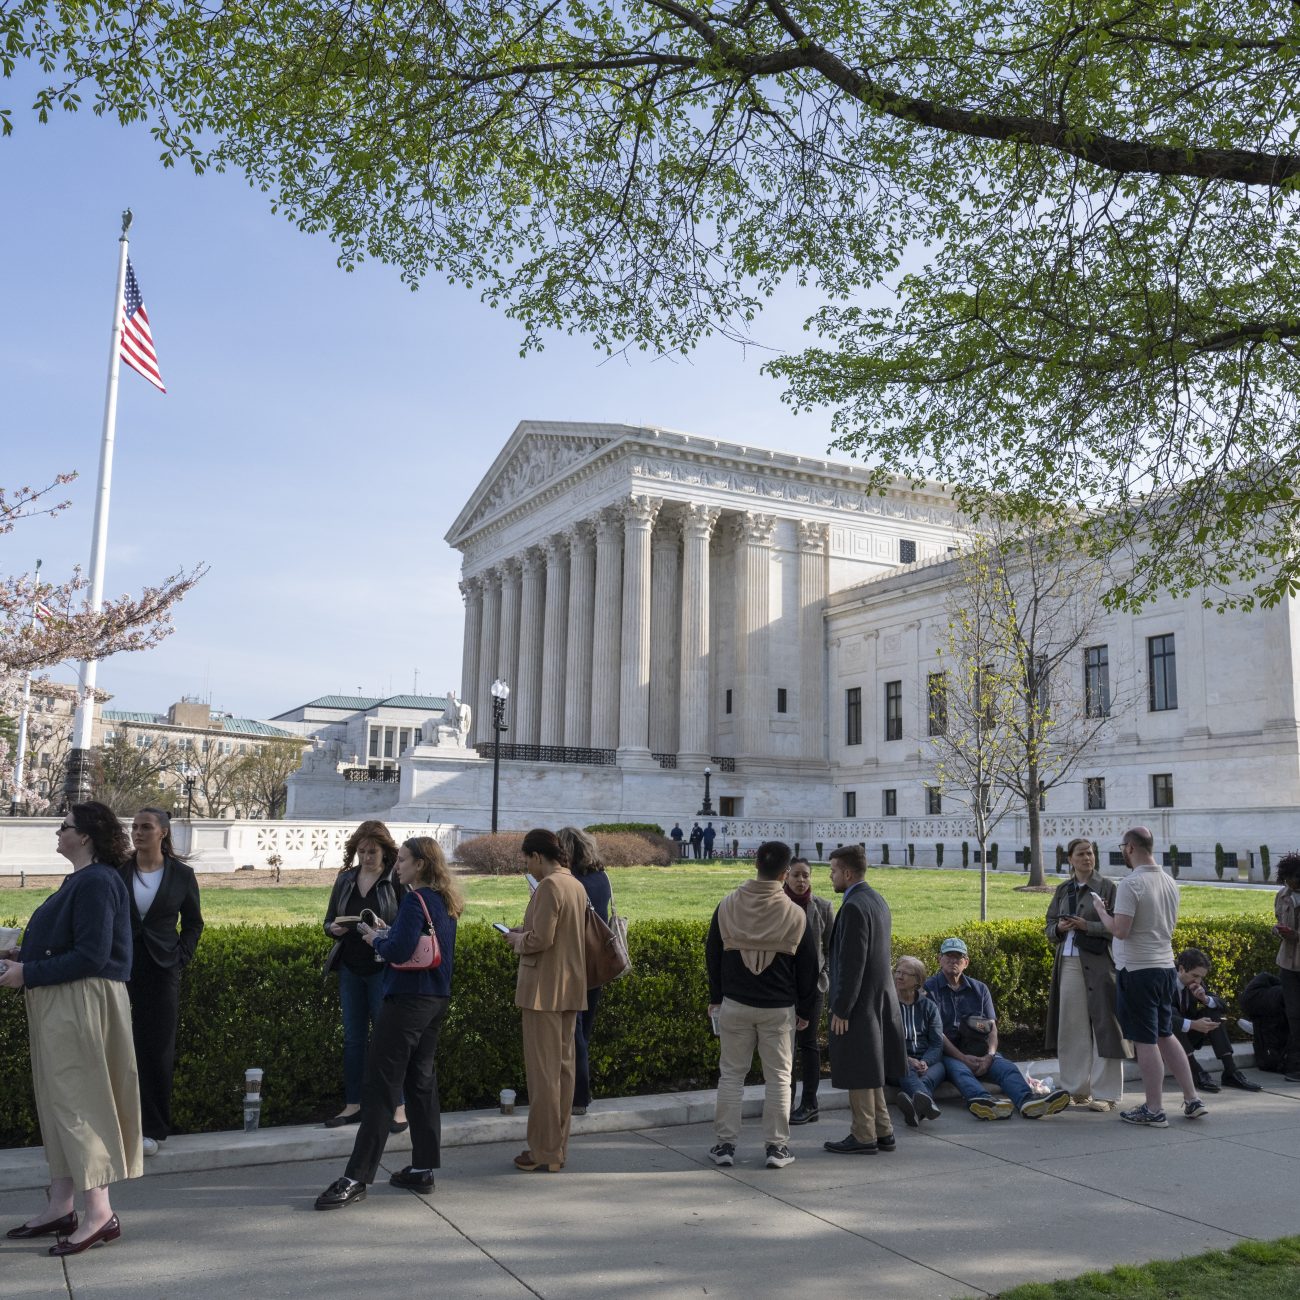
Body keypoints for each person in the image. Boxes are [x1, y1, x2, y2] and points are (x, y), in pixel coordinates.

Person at [0, 802, 142, 1256]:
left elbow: (93, 955)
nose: (57, 833)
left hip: (80, 1001)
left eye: (64, 827)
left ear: (85, 836)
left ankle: (100, 1213)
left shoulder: (98, 881)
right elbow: (72, 946)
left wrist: (29, 974)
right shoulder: (83, 881)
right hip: (63, 1000)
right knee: (59, 1103)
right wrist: (23, 958)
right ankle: (62, 1205)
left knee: (80, 1104)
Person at [314, 837, 461, 1208]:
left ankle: (356, 1177)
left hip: (406, 1002)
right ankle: (423, 1168)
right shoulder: (445, 901)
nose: (398, 866)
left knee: (380, 1086)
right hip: (435, 999)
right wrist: (386, 932)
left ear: (422, 865)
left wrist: (375, 939)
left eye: (405, 860)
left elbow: (397, 952)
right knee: (421, 1082)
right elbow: (421, 946)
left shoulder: (415, 900)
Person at [706, 840, 818, 1169]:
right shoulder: (794, 913)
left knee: (731, 1076)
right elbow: (808, 967)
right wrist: (806, 1010)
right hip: (779, 1007)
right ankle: (777, 1148)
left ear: (755, 863)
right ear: (785, 873)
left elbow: (712, 954)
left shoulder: (727, 905)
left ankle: (725, 1145)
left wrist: (716, 997)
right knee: (779, 1079)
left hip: (735, 1003)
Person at [1091, 826, 1206, 1127]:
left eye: (1123, 848)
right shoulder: (1169, 881)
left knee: (1146, 1041)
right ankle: (1192, 1098)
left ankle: (1154, 1109)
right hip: (1165, 967)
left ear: (1129, 848)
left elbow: (1120, 930)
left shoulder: (1131, 884)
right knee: (1165, 1034)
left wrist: (1101, 912)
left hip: (1137, 970)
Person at [120, 806, 204, 1157]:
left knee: (156, 1050)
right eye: (134, 827)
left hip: (162, 969)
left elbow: (194, 923)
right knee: (120, 1047)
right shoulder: (117, 871)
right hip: (121, 968)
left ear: (163, 833)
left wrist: (180, 956)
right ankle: (121, 1127)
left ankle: (153, 1129)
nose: (137, 832)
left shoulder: (181, 875)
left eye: (146, 827)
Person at [503, 828, 589, 1172]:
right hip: (569, 988)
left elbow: (541, 938)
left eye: (527, 858)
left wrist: (515, 939)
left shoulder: (551, 885)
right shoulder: (575, 883)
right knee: (563, 1074)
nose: (527, 864)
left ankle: (543, 1151)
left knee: (543, 1078)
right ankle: (557, 1149)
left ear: (538, 856)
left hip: (543, 991)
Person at [925, 937, 1071, 1121]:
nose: (953, 960)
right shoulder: (929, 989)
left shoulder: (980, 989)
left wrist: (990, 1056)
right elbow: (937, 1033)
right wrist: (962, 1058)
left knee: (1007, 1068)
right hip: (949, 1053)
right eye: (948, 956)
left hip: (980, 1050)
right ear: (939, 959)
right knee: (960, 1071)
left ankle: (1028, 1102)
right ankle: (985, 1102)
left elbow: (992, 1027)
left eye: (958, 957)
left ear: (966, 962)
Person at [822, 845, 907, 1154]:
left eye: (832, 870)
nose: (830, 876)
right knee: (870, 1067)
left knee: (859, 1068)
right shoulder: (876, 899)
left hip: (860, 1004)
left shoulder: (856, 906)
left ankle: (863, 1135)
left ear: (847, 873)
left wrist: (841, 1008)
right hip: (878, 998)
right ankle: (883, 1130)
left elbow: (852, 963)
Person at [322, 820, 405, 1129]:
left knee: (388, 1040)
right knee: (353, 1040)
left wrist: (388, 930)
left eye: (372, 851)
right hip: (351, 967)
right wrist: (333, 928)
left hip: (383, 967)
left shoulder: (396, 879)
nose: (366, 857)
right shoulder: (346, 880)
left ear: (386, 852)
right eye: (361, 851)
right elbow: (328, 920)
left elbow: (411, 925)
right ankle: (353, 1104)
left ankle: (397, 1106)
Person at [1044, 838, 1129, 1112]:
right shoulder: (1063, 889)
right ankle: (1075, 1089)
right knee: (1071, 1027)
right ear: (1070, 859)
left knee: (1105, 1026)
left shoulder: (1107, 887)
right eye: (1081, 854)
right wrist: (1059, 929)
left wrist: (1086, 925)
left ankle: (1107, 1094)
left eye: (1090, 853)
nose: (1087, 858)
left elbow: (1118, 927)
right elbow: (1047, 927)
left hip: (1099, 963)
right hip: (1068, 961)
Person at [557, 825, 611, 1116]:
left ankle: (578, 1095)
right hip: (598, 960)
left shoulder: (569, 881)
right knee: (583, 1031)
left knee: (573, 1032)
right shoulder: (601, 877)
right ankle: (578, 1090)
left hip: (574, 960)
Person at [785, 856, 834, 1124]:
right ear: (786, 876)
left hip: (814, 987)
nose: (802, 880)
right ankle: (786, 1100)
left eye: (806, 875)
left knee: (808, 1043)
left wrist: (824, 976)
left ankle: (810, 1103)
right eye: (796, 875)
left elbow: (830, 948)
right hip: (783, 987)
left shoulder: (823, 907)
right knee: (785, 1047)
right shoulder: (778, 904)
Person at [1171, 948, 1261, 1093]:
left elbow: (1222, 1004)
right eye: (1195, 976)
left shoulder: (1195, 981)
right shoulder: (1164, 980)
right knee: (1174, 1016)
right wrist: (1194, 1024)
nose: (1198, 981)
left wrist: (1205, 999)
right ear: (1181, 969)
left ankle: (1230, 1071)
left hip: (1187, 1039)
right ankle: (1195, 1070)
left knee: (1212, 1011)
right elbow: (1162, 1018)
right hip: (1162, 1042)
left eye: (1201, 977)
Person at [888, 956, 944, 1127]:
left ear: (918, 981)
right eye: (898, 971)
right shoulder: (887, 1005)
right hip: (896, 1062)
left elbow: (936, 1043)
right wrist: (906, 1059)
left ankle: (916, 1111)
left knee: (940, 1069)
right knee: (905, 1070)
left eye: (905, 973)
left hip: (926, 1061)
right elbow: (883, 1042)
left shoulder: (929, 1007)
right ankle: (929, 1105)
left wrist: (925, 1061)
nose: (899, 976)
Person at [1273, 852, 1300, 1083]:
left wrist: (1296, 935)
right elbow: (1277, 919)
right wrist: (1278, 931)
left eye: (1294, 878)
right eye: (1287, 879)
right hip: (1288, 964)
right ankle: (1294, 1065)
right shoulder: (1282, 896)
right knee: (1293, 1014)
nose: (1290, 883)